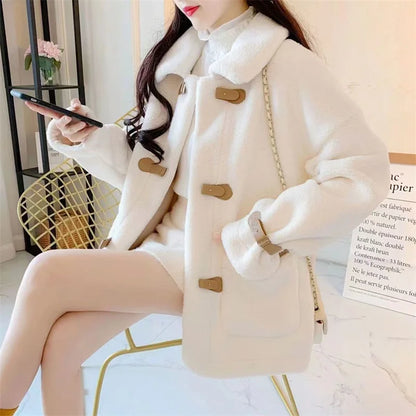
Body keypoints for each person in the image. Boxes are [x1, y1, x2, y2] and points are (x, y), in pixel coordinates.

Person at [0, 1, 391, 415]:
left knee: (45, 273)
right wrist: (88, 136)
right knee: (62, 345)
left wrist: (260, 233)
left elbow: (362, 173)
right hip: (163, 245)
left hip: (223, 258)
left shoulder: (286, 62)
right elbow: (149, 175)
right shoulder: (181, 60)